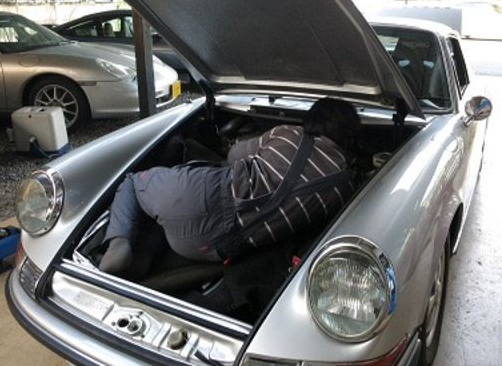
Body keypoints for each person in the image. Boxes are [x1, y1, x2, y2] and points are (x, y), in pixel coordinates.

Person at [99, 97, 360, 274]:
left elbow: (234, 155)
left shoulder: (289, 134)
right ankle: (147, 253)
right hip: (211, 248)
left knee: (132, 181)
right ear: (349, 136)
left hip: (200, 194)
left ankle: (119, 242)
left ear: (311, 120)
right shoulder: (344, 189)